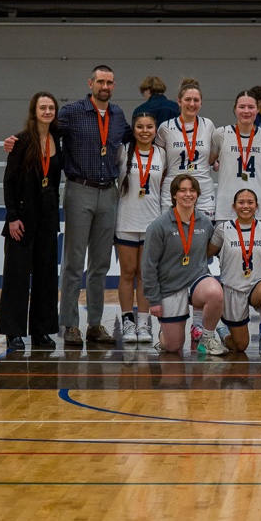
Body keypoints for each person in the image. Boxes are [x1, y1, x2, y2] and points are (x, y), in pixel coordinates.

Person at [56, 65, 130, 347]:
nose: (105, 86)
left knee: (100, 264)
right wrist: (19, 139)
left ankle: (95, 325)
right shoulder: (72, 112)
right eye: (100, 81)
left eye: (110, 82)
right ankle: (70, 325)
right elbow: (45, 131)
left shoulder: (118, 114)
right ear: (91, 83)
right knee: (74, 263)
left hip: (108, 192)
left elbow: (134, 138)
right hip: (79, 189)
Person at [0, 92, 62, 349]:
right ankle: (13, 332)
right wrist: (12, 217)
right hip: (23, 217)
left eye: (51, 108)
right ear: (34, 111)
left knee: (46, 277)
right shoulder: (21, 141)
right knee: (17, 277)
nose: (47, 111)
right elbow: (9, 181)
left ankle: (41, 331)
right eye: (43, 107)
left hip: (47, 216)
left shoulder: (57, 139)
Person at [140, 173, 224, 355]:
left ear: (198, 194)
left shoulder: (205, 222)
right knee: (173, 346)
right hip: (170, 285)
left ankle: (207, 338)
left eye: (192, 190)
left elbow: (218, 252)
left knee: (215, 292)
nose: (188, 194)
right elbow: (148, 266)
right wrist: (154, 300)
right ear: (174, 195)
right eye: (183, 190)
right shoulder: (159, 226)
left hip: (197, 279)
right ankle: (164, 333)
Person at [209, 187, 261, 356]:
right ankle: (222, 330)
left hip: (257, 283)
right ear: (234, 206)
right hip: (232, 287)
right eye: (241, 202)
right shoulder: (223, 229)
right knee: (240, 346)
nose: (246, 206)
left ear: (257, 206)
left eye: (250, 202)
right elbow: (207, 253)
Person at [114, 112, 166, 346]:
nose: (145, 131)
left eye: (149, 127)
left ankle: (144, 322)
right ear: (133, 129)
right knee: (127, 272)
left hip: (152, 222)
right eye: (140, 127)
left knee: (145, 274)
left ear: (155, 130)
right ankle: (128, 320)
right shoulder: (123, 151)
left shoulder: (162, 154)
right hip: (126, 219)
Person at [155, 78, 216, 217]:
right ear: (179, 101)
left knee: (202, 235)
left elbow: (213, 156)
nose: (192, 104)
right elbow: (159, 161)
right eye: (188, 99)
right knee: (172, 235)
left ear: (201, 102)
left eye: (196, 100)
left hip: (203, 189)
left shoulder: (208, 125)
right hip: (174, 189)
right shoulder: (166, 127)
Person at [211, 91, 261, 221]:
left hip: (259, 208)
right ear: (235, 109)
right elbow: (208, 161)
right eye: (242, 107)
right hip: (227, 208)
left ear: (257, 109)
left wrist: (258, 184)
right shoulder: (221, 134)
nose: (246, 111)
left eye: (251, 107)